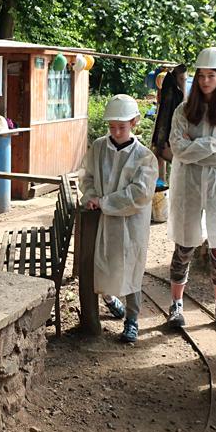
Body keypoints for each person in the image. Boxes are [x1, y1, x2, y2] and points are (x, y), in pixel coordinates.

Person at [166, 48, 216, 328]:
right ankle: (176, 305)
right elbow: (178, 149)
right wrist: (212, 144)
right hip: (188, 186)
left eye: (212, 75)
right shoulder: (183, 111)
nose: (206, 81)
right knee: (184, 245)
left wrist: (194, 148)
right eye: (201, 75)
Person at [81, 94, 157, 343]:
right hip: (103, 220)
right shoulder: (99, 147)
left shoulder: (144, 157)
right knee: (103, 264)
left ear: (134, 122)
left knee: (131, 268)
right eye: (112, 127)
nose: (116, 132)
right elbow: (88, 177)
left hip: (131, 224)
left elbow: (139, 194)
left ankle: (132, 319)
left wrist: (105, 202)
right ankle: (110, 299)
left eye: (121, 127)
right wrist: (91, 196)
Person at [150, 65, 187, 188]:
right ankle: (160, 183)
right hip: (166, 131)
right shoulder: (170, 90)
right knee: (159, 154)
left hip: (173, 133)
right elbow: (165, 114)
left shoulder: (178, 94)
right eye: (182, 79)